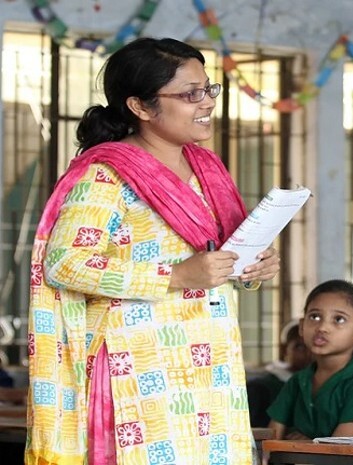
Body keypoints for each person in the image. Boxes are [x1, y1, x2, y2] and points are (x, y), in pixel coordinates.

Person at [25, 38, 280, 464]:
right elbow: (65, 263)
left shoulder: (206, 169)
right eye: (189, 94)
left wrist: (252, 266)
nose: (206, 103)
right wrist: (176, 276)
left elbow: (214, 259)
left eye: (208, 89)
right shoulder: (108, 174)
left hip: (209, 366)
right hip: (137, 368)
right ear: (141, 107)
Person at [267, 280, 353, 439]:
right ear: (301, 326)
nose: (322, 327)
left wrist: (307, 447)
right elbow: (273, 434)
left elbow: (339, 446)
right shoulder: (299, 380)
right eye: (314, 317)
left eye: (339, 319)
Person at [246, 320, 310, 427]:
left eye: (311, 347)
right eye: (300, 347)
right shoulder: (261, 388)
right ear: (285, 349)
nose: (308, 354)